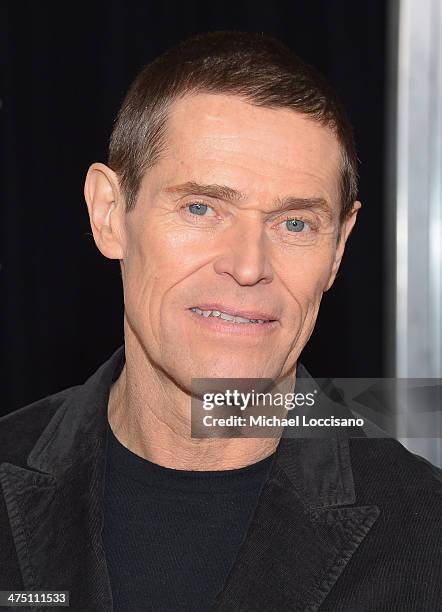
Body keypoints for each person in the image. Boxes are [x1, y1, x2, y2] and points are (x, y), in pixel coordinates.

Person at [0, 31, 440, 612]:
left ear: (338, 249)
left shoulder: (425, 536)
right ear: (109, 214)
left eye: (295, 223)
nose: (249, 266)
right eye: (202, 208)